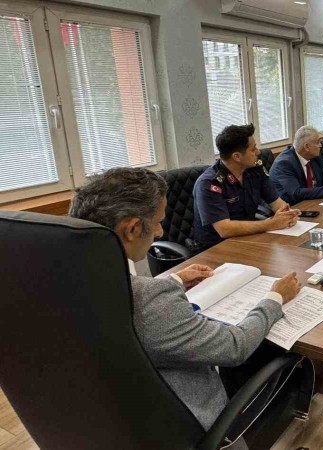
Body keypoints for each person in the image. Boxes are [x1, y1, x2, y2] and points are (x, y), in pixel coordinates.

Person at [69, 167, 302, 433]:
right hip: (184, 421)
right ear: (132, 229)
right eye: (158, 222)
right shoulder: (149, 301)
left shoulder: (68, 283)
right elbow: (234, 347)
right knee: (272, 355)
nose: (159, 233)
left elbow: (138, 310)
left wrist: (175, 280)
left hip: (111, 420)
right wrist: (275, 297)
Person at [192, 124, 300, 250]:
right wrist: (270, 224)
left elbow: (276, 202)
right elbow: (224, 229)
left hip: (248, 238)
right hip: (215, 248)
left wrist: (288, 215)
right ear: (237, 157)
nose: (258, 152)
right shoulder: (209, 183)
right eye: (253, 149)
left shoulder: (255, 170)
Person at [270, 126, 323, 204]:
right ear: (307, 147)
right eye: (318, 142)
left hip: (314, 201)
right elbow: (296, 193)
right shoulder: (284, 163)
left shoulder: (315, 156)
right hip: (294, 207)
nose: (320, 145)